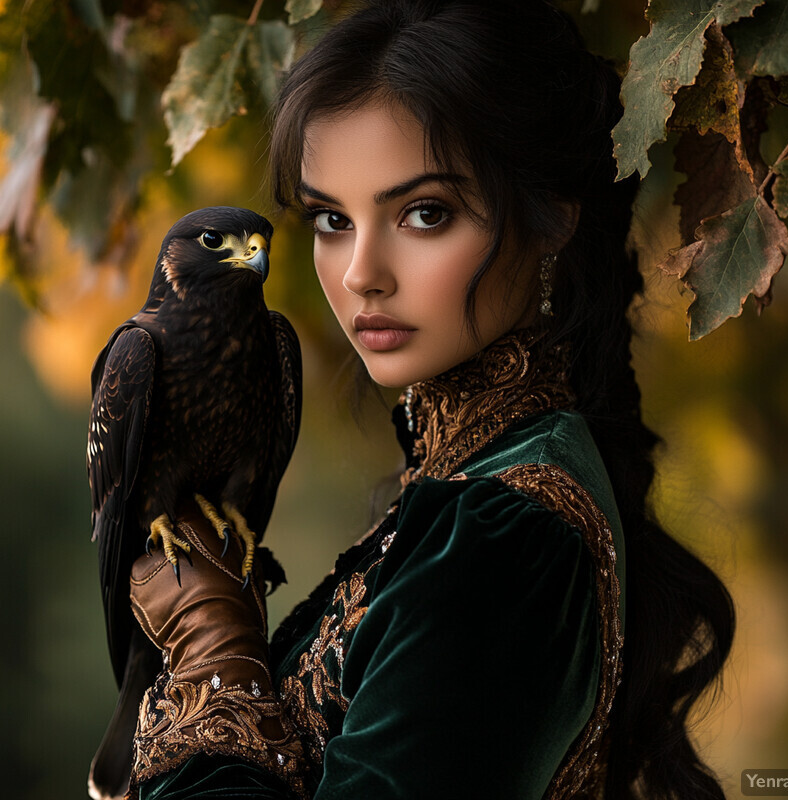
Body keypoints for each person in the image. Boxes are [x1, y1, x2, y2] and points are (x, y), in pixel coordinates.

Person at [118, 1, 736, 798]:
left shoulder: (506, 539)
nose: (358, 272)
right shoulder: (473, 486)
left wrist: (215, 663)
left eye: (424, 213)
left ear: (552, 220)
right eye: (331, 218)